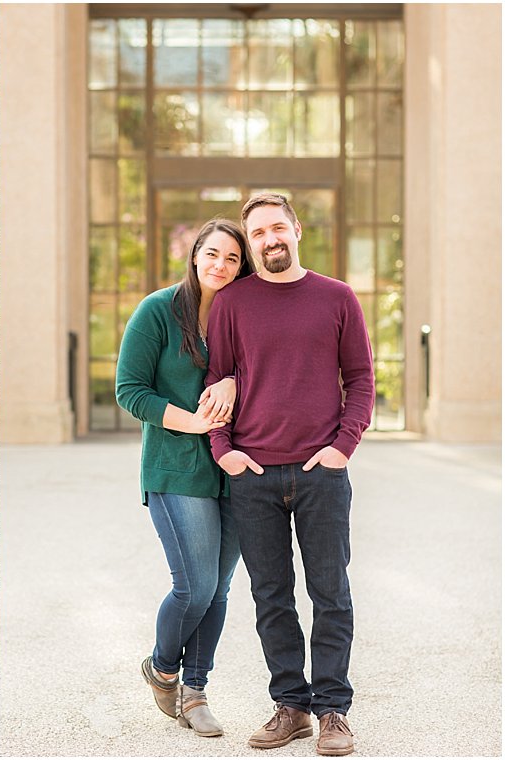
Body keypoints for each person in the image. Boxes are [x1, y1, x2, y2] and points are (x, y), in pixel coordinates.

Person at [207, 193, 374, 757]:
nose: (270, 239)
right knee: (270, 596)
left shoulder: (337, 297)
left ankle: (333, 711)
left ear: (297, 229)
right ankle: (291, 706)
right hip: (252, 475)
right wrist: (223, 451)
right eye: (258, 233)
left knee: (331, 594)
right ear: (250, 243)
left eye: (278, 228)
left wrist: (342, 448)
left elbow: (361, 381)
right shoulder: (232, 302)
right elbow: (217, 380)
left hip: (321, 473)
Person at [117, 219, 253, 737]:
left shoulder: (245, 315)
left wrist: (236, 383)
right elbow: (130, 390)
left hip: (237, 466)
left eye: (233, 259)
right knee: (193, 587)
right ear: (195, 255)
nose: (221, 265)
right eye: (212, 254)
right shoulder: (157, 310)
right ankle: (162, 667)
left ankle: (195, 693)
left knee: (218, 590)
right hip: (177, 466)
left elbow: (267, 369)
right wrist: (193, 421)